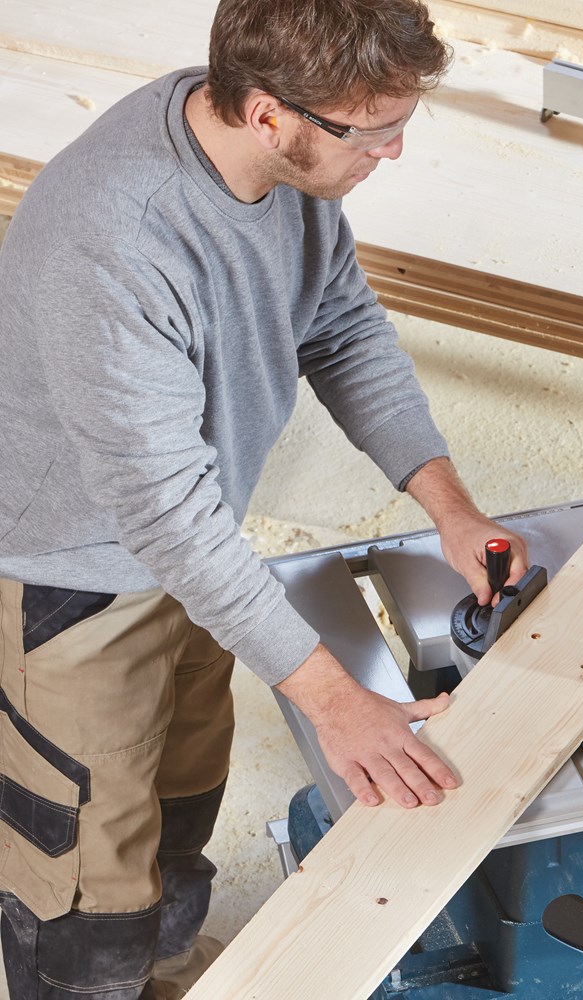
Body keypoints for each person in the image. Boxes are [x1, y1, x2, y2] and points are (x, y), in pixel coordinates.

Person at [0, 0, 527, 995]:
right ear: (267, 114)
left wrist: (449, 504)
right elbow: (160, 512)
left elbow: (341, 326)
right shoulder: (114, 239)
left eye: (400, 124)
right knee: (85, 900)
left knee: (179, 814)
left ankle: (170, 977)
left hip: (199, 551)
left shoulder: (286, 168)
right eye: (371, 132)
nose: (392, 151)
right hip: (74, 582)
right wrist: (337, 703)